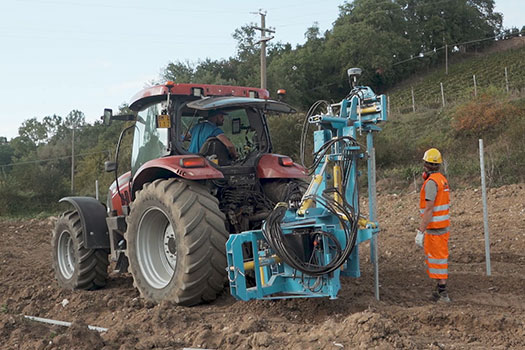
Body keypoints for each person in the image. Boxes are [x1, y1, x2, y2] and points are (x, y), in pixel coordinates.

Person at [415, 148, 451, 303]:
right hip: (442, 226)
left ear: (426, 165)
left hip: (435, 228)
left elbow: (429, 209)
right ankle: (439, 290)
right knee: (438, 259)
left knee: (438, 260)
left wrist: (420, 231)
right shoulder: (442, 179)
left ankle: (443, 293)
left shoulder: (431, 183)